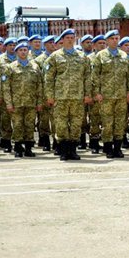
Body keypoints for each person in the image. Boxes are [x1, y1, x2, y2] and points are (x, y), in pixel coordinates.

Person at [44, 29, 93, 161]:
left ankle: (73, 150)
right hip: (60, 97)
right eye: (68, 37)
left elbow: (87, 77)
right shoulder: (55, 57)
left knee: (76, 124)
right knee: (61, 124)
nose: (70, 39)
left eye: (72, 37)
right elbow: (49, 78)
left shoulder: (82, 57)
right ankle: (64, 150)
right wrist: (50, 95)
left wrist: (88, 94)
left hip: (78, 96)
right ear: (62, 40)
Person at [92, 30, 129, 159]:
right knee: (107, 123)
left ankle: (118, 148)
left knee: (120, 123)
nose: (115, 40)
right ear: (107, 41)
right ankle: (108, 148)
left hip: (121, 96)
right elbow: (95, 76)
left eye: (117, 38)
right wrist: (97, 92)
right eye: (112, 38)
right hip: (106, 96)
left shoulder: (124, 56)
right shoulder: (100, 56)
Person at [3, 42, 42, 158]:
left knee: (29, 125)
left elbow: (40, 86)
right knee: (17, 125)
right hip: (16, 103)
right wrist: (9, 103)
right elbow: (6, 87)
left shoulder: (35, 67)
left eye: (25, 50)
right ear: (16, 52)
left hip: (31, 102)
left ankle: (29, 148)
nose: (23, 52)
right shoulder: (10, 67)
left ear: (28, 51)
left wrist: (39, 102)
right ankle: (18, 148)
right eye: (20, 50)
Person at [33, 36, 57, 151]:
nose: (53, 45)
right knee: (44, 119)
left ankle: (57, 141)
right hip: (43, 93)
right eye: (50, 43)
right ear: (45, 45)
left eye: (54, 43)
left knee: (56, 119)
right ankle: (45, 140)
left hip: (56, 93)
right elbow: (37, 78)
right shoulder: (38, 60)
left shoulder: (57, 57)